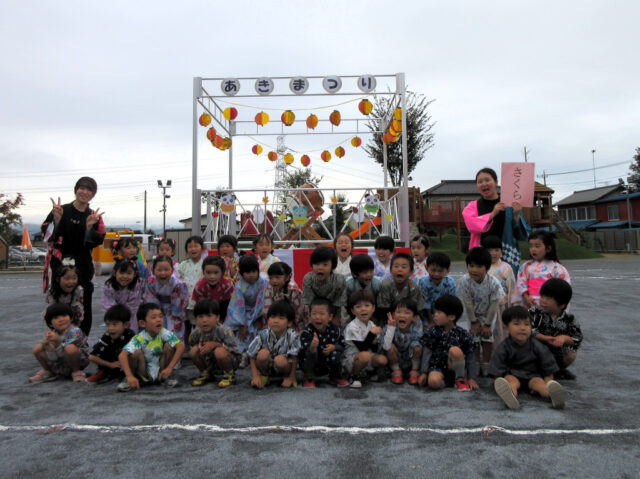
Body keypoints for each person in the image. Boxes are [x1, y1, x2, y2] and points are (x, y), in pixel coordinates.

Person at [41, 176, 105, 336]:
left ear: (93, 194)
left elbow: (98, 240)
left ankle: (80, 342)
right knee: (58, 304)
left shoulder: (94, 216)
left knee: (84, 303)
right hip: (60, 265)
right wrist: (56, 219)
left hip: (83, 266)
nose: (85, 192)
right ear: (76, 190)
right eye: (82, 188)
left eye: (89, 189)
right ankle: (58, 340)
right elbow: (46, 234)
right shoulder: (61, 210)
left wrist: (90, 227)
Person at [489, 306, 566, 410]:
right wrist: (498, 380)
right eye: (516, 324)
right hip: (512, 374)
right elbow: (497, 367)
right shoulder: (503, 347)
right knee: (511, 382)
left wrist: (549, 381)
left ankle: (552, 396)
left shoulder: (537, 345)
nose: (522, 328)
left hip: (532, 375)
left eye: (527, 324)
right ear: (506, 328)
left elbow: (547, 363)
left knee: (540, 384)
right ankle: (510, 396)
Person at [462, 167, 528, 275]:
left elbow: (521, 235)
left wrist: (516, 215)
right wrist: (492, 214)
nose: (484, 184)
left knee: (506, 286)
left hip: (506, 254)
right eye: (480, 182)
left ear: (496, 182)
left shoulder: (509, 205)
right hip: (480, 253)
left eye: (487, 180)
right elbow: (472, 226)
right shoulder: (472, 206)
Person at [456, 247, 505, 375]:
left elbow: (494, 304)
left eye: (479, 266)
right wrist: (473, 322)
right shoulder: (465, 281)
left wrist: (488, 324)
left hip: (489, 313)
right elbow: (468, 302)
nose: (474, 270)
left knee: (487, 337)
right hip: (473, 314)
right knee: (474, 338)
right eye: (471, 266)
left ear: (487, 268)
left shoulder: (493, 282)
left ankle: (487, 364)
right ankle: (476, 363)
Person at [117, 302, 184, 391]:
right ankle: (130, 379)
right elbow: (122, 355)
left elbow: (181, 347)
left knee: (169, 346)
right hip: (143, 372)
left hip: (161, 370)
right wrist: (129, 376)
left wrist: (170, 368)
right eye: (154, 317)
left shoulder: (164, 333)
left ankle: (167, 377)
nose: (159, 320)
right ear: (142, 323)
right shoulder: (139, 338)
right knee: (136, 352)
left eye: (160, 316)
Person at [418, 295, 479, 392]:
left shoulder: (463, 334)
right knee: (433, 382)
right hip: (437, 367)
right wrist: (424, 372)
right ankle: (447, 383)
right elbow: (427, 352)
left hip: (454, 368)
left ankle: (460, 379)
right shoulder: (433, 332)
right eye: (435, 311)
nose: (435, 315)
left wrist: (472, 378)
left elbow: (470, 357)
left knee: (455, 350)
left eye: (439, 312)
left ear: (451, 317)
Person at [530, 278, 582, 380]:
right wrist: (545, 338)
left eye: (548, 298)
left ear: (562, 304)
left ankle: (557, 370)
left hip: (556, 351)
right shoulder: (535, 312)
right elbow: (528, 330)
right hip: (534, 349)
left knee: (571, 353)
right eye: (542, 296)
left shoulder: (569, 318)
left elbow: (578, 338)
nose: (543, 300)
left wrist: (564, 338)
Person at [30, 303, 89, 383]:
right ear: (50, 323)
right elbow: (52, 352)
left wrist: (58, 341)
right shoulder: (53, 333)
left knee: (70, 348)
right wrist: (48, 346)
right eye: (56, 318)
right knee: (38, 348)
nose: (61, 319)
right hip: (60, 363)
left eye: (64, 316)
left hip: (76, 361)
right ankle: (47, 371)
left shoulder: (75, 330)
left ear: (71, 318)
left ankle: (77, 372)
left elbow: (69, 346)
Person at [247, 300, 300, 389]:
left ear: (289, 323)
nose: (276, 321)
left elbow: (295, 357)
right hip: (268, 366)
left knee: (280, 360)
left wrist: (292, 377)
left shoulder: (293, 336)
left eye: (281, 318)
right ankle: (264, 376)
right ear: (267, 320)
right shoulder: (263, 334)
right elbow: (251, 355)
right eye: (272, 317)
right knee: (263, 354)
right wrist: (255, 376)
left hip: (285, 367)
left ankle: (287, 377)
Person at [189, 298, 241, 388]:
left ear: (217, 318)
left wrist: (215, 345)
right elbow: (192, 344)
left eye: (209, 316)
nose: (204, 320)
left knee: (219, 352)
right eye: (200, 316)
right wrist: (200, 346)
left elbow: (236, 351)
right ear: (196, 319)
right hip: (209, 361)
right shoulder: (196, 333)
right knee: (193, 351)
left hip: (228, 361)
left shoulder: (224, 331)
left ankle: (229, 375)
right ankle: (205, 373)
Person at [299, 298, 349, 388]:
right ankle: (308, 377)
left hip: (327, 364)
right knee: (310, 354)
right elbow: (302, 352)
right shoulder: (307, 332)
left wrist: (334, 347)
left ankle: (335, 376)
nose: (317, 317)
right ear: (310, 316)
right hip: (312, 365)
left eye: (322, 314)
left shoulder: (335, 330)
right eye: (314, 314)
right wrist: (312, 347)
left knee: (336, 353)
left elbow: (343, 345)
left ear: (330, 317)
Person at [342, 290, 387, 388]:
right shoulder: (351, 326)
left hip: (366, 355)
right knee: (365, 355)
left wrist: (374, 342)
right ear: (353, 311)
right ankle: (354, 376)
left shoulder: (371, 324)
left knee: (382, 359)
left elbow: (374, 349)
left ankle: (369, 372)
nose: (363, 309)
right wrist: (371, 334)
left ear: (373, 308)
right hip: (352, 360)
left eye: (367, 305)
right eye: (358, 307)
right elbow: (362, 348)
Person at [226, 254, 268, 355]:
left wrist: (258, 318)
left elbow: (263, 301)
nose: (251, 274)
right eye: (247, 272)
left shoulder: (263, 283)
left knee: (260, 329)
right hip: (243, 314)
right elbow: (237, 306)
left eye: (254, 271)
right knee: (242, 334)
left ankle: (258, 353)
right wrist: (242, 324)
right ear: (241, 273)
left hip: (259, 314)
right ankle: (243, 354)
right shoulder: (239, 285)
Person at [517, 230, 571, 308]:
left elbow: (564, 288)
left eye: (537, 246)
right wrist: (526, 297)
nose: (533, 249)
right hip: (530, 304)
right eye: (531, 246)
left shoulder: (557, 268)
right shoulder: (526, 266)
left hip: (550, 305)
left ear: (548, 248)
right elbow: (521, 282)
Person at [143, 255, 189, 342]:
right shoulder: (150, 282)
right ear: (153, 270)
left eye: (166, 269)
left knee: (174, 340)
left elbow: (180, 304)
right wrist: (157, 313)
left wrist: (174, 314)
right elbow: (150, 300)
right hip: (157, 311)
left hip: (174, 313)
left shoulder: (178, 284)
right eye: (159, 270)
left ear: (172, 270)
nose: (163, 273)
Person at [483, 235, 518, 344]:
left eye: (496, 250)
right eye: (489, 250)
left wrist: (512, 307)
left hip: (501, 307)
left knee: (501, 331)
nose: (493, 253)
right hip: (484, 308)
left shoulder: (506, 267)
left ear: (501, 251)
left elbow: (512, 288)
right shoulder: (481, 267)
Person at [87, 304, 135, 384]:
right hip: (110, 366)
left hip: (126, 367)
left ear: (126, 325)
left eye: (114, 324)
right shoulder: (107, 336)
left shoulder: (130, 335)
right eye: (108, 324)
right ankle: (103, 373)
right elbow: (91, 357)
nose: (110, 328)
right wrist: (110, 364)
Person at [381, 298, 423, 385]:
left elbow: (419, 344)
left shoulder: (416, 329)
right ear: (392, 315)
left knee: (418, 346)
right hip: (395, 360)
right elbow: (385, 346)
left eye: (407, 313)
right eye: (398, 312)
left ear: (414, 317)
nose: (402, 315)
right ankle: (396, 371)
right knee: (390, 347)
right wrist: (391, 328)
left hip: (409, 359)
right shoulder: (389, 327)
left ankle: (414, 371)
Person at [377, 252, 425, 323]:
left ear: (411, 272)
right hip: (390, 318)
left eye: (404, 267)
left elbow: (417, 309)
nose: (399, 269)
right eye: (396, 266)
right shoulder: (386, 286)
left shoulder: (413, 287)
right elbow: (383, 308)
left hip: (409, 319)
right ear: (390, 270)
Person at [176, 235, 206, 344]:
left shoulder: (205, 264)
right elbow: (177, 280)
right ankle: (185, 346)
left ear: (202, 248)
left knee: (198, 324)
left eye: (196, 246)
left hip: (198, 302)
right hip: (184, 302)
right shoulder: (182, 265)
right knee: (185, 324)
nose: (193, 249)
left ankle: (198, 345)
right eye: (190, 247)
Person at [102, 259, 145, 333]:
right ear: (114, 273)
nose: (125, 276)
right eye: (121, 273)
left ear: (135, 274)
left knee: (131, 335)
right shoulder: (109, 287)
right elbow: (108, 305)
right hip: (115, 315)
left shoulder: (138, 285)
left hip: (133, 316)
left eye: (129, 273)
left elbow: (135, 305)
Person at [262, 262, 307, 331]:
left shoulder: (293, 290)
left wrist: (285, 323)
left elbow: (300, 313)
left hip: (292, 325)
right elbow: (266, 312)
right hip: (274, 325)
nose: (274, 281)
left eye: (277, 277)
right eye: (271, 278)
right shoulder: (268, 290)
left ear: (287, 277)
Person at [301, 246, 346, 313]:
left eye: (325, 265)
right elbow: (308, 302)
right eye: (316, 264)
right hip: (314, 313)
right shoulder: (308, 279)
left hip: (334, 314)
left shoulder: (339, 280)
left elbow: (341, 304)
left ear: (332, 266)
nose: (320, 268)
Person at [418, 252, 457, 328]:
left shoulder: (450, 283)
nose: (436, 274)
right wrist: (430, 321)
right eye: (433, 270)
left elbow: (452, 303)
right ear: (426, 268)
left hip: (445, 314)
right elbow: (426, 303)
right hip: (427, 314)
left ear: (448, 270)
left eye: (440, 271)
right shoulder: (423, 282)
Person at [191, 255, 234, 322]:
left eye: (216, 273)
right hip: (204, 316)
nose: (212, 276)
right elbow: (199, 307)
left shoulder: (227, 285)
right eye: (208, 272)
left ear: (222, 272)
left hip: (223, 316)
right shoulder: (200, 286)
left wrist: (218, 320)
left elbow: (227, 305)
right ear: (203, 272)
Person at [44, 259, 84, 327]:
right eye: (67, 279)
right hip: (57, 324)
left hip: (75, 324)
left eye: (74, 278)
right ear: (58, 279)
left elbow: (79, 311)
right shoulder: (52, 292)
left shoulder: (78, 291)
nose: (71, 282)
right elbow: (51, 313)